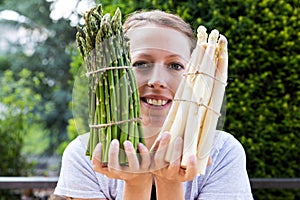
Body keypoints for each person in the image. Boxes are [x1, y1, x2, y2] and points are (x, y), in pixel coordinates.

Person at [54, 8, 253, 200]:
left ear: (194, 75)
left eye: (175, 65)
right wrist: (136, 183)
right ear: (115, 72)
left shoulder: (222, 152)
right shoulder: (84, 155)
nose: (157, 80)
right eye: (141, 63)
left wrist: (170, 183)